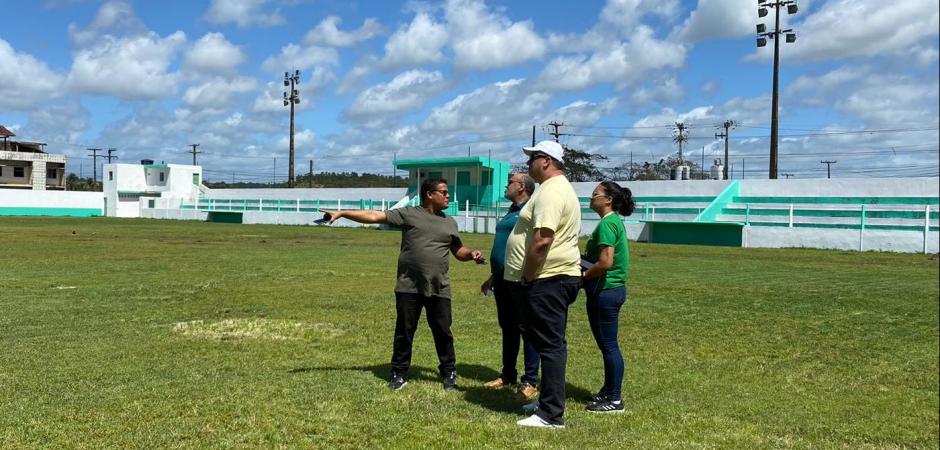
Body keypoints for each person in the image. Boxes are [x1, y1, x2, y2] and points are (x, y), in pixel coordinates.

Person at [321, 178, 484, 391]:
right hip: (409, 286)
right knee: (405, 331)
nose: (447, 196)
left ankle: (449, 373)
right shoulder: (409, 214)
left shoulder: (449, 222)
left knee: (443, 331)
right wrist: (342, 213)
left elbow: (457, 251)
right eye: (443, 192)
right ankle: (399, 373)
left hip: (439, 287)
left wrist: (470, 254)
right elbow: (374, 216)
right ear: (429, 194)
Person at [504, 140, 582, 429]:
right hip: (553, 277)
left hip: (549, 278)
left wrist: (528, 275)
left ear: (546, 161)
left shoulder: (551, 191)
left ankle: (551, 414)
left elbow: (542, 239)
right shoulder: (555, 189)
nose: (528, 165)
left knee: (550, 346)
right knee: (548, 343)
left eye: (532, 159)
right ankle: (548, 401)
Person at [480, 172, 540, 401]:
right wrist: (493, 276)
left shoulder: (530, 210)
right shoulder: (512, 210)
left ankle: (530, 380)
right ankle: (507, 375)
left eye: (510, 183)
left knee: (527, 329)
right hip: (502, 279)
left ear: (522, 186)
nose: (506, 186)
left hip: (520, 280)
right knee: (509, 328)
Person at [581, 181, 635, 414]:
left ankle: (614, 399)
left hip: (605, 291)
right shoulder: (613, 222)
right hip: (612, 290)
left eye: (595, 195)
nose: (590, 199)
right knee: (608, 345)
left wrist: (583, 276)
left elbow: (605, 262)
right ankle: (608, 390)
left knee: (610, 346)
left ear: (608, 200)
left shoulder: (607, 224)